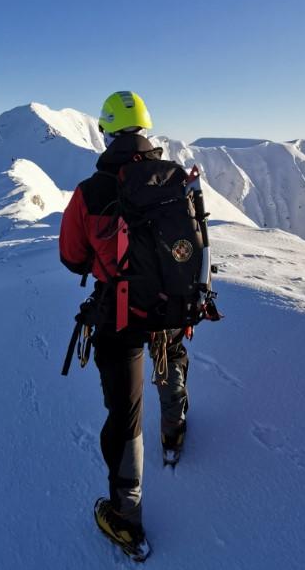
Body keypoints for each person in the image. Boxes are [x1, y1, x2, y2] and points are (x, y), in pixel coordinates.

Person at [59, 91, 189, 561]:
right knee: (173, 356)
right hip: (172, 305)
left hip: (120, 315)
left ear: (108, 131)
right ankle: (174, 430)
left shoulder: (92, 191)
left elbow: (71, 257)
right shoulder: (175, 179)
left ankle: (126, 517)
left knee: (125, 414)